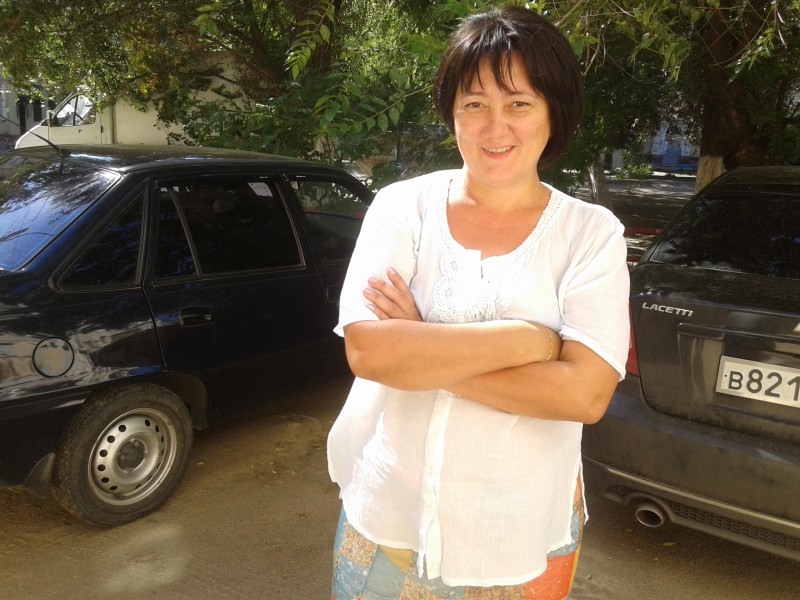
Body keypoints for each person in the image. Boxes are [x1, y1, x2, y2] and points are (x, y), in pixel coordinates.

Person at [328, 5, 630, 599]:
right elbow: (369, 353)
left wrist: (421, 346)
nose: (496, 128)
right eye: (474, 104)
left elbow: (585, 395)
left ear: (553, 112)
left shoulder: (591, 234)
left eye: (519, 103)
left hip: (520, 536)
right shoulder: (402, 207)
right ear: (452, 114)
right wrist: (531, 341)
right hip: (388, 518)